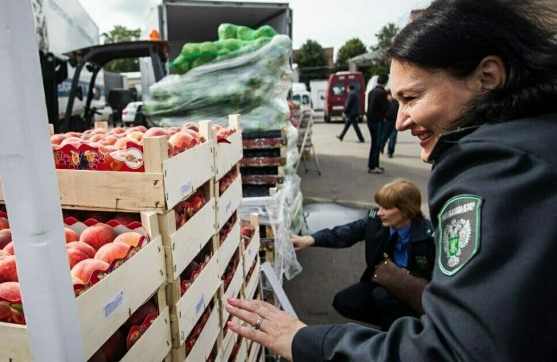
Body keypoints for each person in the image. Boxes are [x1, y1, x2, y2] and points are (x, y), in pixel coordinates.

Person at [224, 0, 557, 360]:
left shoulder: (495, 164)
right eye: (396, 101)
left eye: (412, 98)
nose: (399, 121)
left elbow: (455, 350)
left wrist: (305, 340)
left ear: (488, 77)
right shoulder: (538, 140)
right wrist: (311, 239)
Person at [291, 178, 434, 330]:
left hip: (415, 293)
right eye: (380, 206)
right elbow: (347, 233)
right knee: (344, 302)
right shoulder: (376, 222)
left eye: (386, 208)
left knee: (382, 296)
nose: (379, 212)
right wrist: (311, 239)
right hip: (383, 282)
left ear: (406, 210)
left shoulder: (431, 236)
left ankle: (406, 330)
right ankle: (394, 324)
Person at [366, 74, 389, 174]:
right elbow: (386, 108)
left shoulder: (371, 92)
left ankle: (374, 164)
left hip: (370, 120)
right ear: (385, 82)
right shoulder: (382, 93)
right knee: (377, 144)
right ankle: (373, 166)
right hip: (378, 121)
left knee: (374, 143)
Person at [380, 91, 399, 158]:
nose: (390, 97)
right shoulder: (385, 103)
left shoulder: (396, 103)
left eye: (391, 95)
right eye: (389, 95)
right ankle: (381, 146)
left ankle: (390, 151)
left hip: (394, 122)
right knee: (384, 137)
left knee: (393, 138)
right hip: (386, 122)